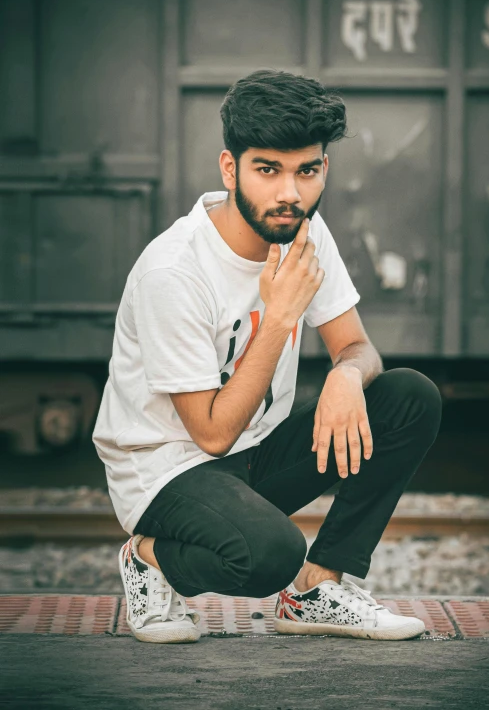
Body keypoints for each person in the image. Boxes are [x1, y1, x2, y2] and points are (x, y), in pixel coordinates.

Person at [92, 69, 442, 644]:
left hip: (252, 454)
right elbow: (210, 435)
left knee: (408, 397)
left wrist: (347, 376)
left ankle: (317, 590)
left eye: (306, 171)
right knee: (268, 555)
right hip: (165, 472)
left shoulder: (303, 228)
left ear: (323, 168)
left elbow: (356, 346)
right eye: (267, 170)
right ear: (230, 168)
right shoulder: (174, 272)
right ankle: (148, 558)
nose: (289, 193)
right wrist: (278, 320)